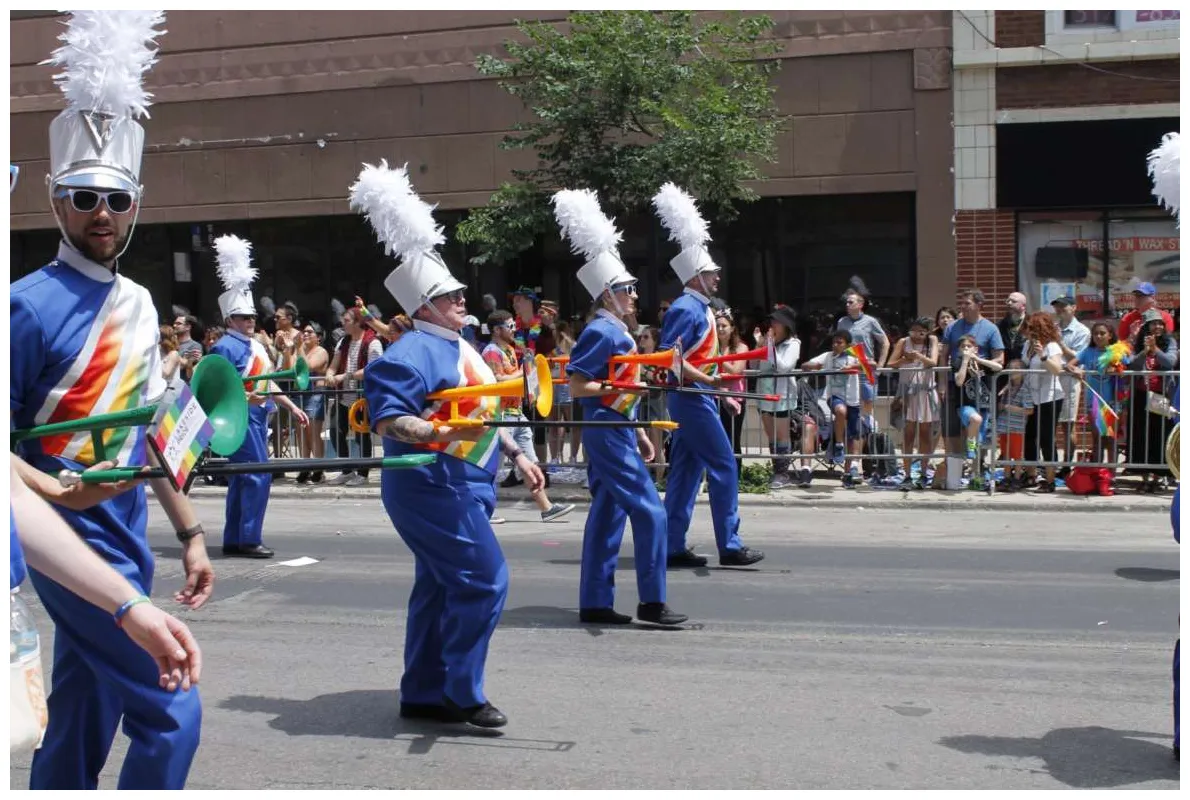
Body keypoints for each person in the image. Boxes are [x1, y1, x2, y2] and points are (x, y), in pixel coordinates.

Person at [9, 11, 213, 789]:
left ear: (136, 206)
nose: (102, 213)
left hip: (128, 532)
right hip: (64, 540)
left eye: (117, 200)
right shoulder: (22, 306)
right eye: (85, 197)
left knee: (85, 701)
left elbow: (152, 427)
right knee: (173, 710)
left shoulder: (140, 301)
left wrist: (189, 532)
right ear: (57, 201)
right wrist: (54, 486)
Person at [353, 160, 542, 728]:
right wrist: (435, 431)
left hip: (467, 480)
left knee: (439, 587)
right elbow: (386, 420)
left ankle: (423, 690)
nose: (463, 298)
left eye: (460, 292)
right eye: (450, 294)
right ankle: (462, 690)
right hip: (431, 484)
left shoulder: (466, 348)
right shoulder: (408, 353)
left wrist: (516, 452)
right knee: (485, 580)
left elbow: (483, 411)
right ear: (424, 306)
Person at [554, 188, 687, 627]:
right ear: (608, 294)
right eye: (627, 289)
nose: (634, 294)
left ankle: (594, 601)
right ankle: (652, 600)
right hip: (607, 431)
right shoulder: (603, 332)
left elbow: (617, 390)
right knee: (650, 512)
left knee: (608, 515)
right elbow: (578, 386)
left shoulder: (618, 331)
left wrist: (640, 428)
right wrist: (621, 395)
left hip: (617, 427)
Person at [652, 183, 764, 568]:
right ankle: (729, 544)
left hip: (695, 395)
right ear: (695, 276)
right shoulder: (686, 307)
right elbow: (671, 359)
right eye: (711, 272)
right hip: (692, 397)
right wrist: (709, 381)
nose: (717, 276)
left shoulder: (698, 307)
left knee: (686, 469)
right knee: (723, 464)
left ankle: (670, 544)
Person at [209, 234, 309, 558]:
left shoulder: (254, 346)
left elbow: (266, 382)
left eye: (251, 317)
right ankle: (249, 538)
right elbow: (217, 386)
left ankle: (235, 537)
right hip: (240, 419)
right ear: (229, 320)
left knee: (242, 478)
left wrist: (291, 405)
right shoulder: (225, 346)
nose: (250, 321)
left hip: (256, 416)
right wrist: (241, 399)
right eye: (243, 317)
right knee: (256, 475)